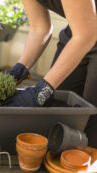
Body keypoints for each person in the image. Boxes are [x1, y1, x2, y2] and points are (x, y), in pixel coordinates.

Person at [6, 0, 97, 149]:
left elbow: (87, 36)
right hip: (79, 28)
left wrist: (41, 91)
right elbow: (40, 28)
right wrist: (18, 71)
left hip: (85, 33)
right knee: (60, 117)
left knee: (93, 130)